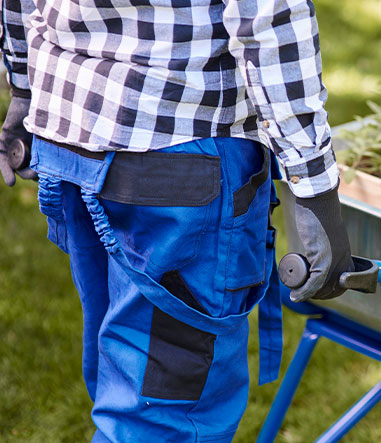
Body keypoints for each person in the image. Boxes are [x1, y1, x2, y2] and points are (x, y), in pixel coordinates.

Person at [0, 0, 353, 440]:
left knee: (131, 385)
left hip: (70, 131)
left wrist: (24, 86)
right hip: (179, 156)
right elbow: (269, 14)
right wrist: (314, 186)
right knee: (163, 418)